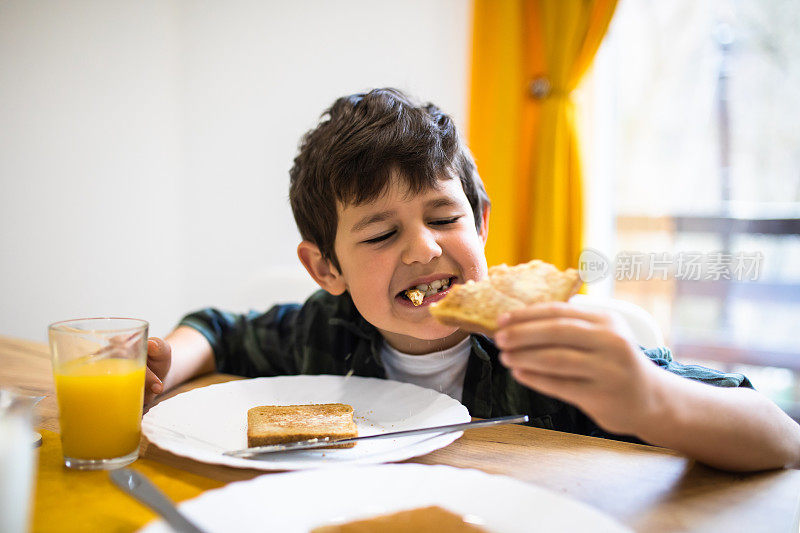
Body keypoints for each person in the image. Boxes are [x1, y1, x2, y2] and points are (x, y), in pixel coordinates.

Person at [144, 88, 800, 472]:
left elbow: (780, 436)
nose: (424, 247)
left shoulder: (546, 345)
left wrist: (650, 398)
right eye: (380, 234)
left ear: (481, 223)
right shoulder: (325, 330)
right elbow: (222, 329)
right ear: (327, 269)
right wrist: (173, 360)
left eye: (443, 216)